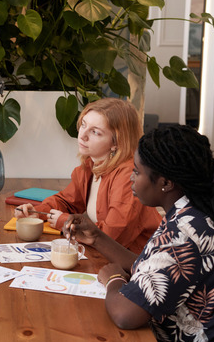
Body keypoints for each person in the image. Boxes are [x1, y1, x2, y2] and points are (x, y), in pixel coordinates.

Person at [65, 124, 214, 342]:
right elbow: (156, 267)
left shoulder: (185, 232)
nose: (131, 178)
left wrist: (114, 280)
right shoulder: (193, 209)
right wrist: (97, 237)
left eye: (138, 172)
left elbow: (125, 315)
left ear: (166, 183)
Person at [15, 98, 161, 253]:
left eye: (95, 132)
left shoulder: (128, 175)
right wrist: (37, 211)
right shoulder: (92, 165)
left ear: (116, 143)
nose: (82, 135)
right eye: (83, 125)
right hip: (110, 256)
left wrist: (64, 221)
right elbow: (67, 201)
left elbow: (112, 236)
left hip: (143, 262)